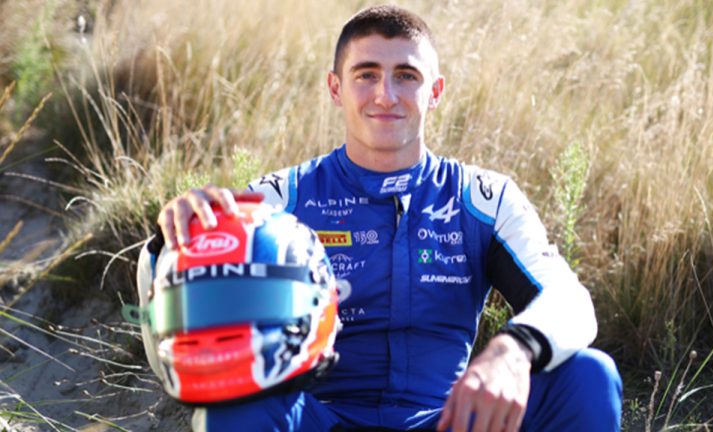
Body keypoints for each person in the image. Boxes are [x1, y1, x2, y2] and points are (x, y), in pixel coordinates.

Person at [153, 5, 622, 431]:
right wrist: (171, 242)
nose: (386, 94)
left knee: (589, 376)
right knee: (235, 407)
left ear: (435, 92)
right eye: (366, 74)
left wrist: (512, 351)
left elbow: (570, 301)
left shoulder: (485, 199)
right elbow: (176, 327)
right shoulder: (277, 202)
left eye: (406, 76)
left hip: (448, 419)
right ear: (335, 88)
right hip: (320, 418)